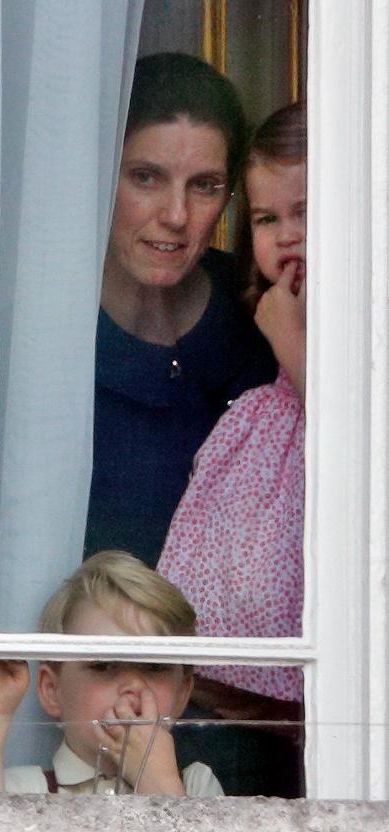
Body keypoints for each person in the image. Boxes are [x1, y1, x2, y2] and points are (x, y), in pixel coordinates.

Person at [158, 102, 307, 792]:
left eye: (305, 212)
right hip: (237, 705)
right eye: (267, 218)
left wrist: (290, 342)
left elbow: (357, 440)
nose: (286, 238)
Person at [84, 52, 277, 569]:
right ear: (101, 174)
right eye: (146, 177)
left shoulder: (262, 308)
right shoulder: (45, 323)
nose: (176, 216)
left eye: (204, 186)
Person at [0, 550, 223, 796]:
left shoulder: (195, 788)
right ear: (52, 691)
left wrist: (158, 782)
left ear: (182, 694)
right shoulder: (26, 791)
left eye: (154, 666)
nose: (133, 685)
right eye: (103, 665)